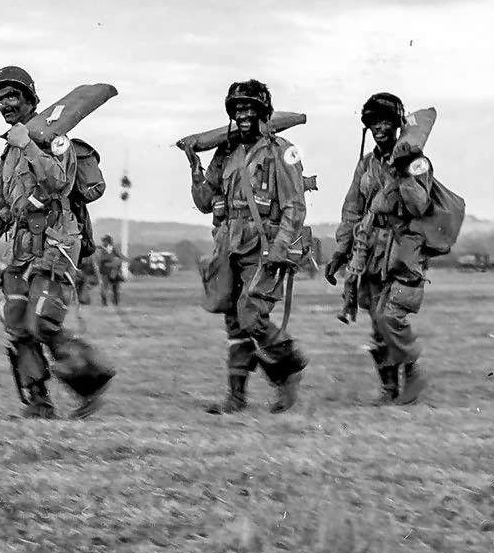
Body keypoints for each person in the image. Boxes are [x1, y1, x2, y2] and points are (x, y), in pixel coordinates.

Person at [0, 66, 115, 419]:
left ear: (31, 99)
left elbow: (59, 182)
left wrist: (28, 144)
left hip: (54, 242)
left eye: (13, 96)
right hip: (20, 248)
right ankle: (38, 402)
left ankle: (92, 383)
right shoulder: (9, 153)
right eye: (0, 99)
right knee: (16, 321)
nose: (6, 103)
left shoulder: (55, 140)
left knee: (42, 321)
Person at [184, 79, 308, 414]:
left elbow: (295, 206)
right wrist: (195, 169)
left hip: (264, 242)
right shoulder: (225, 153)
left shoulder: (281, 151)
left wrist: (282, 246)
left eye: (250, 109)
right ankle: (236, 397)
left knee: (251, 314)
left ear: (263, 112)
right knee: (233, 320)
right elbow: (205, 202)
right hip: (228, 241)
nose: (243, 115)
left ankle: (288, 368)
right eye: (238, 109)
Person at [324, 92, 433, 405]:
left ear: (398, 124)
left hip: (403, 251)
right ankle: (389, 390)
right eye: (373, 123)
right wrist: (340, 252)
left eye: (385, 121)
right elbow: (352, 210)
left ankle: (413, 371)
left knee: (389, 317)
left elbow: (419, 205)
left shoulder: (417, 162)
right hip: (369, 252)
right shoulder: (366, 165)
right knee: (376, 322)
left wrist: (403, 171)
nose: (379, 128)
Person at [95, 235, 126, 306]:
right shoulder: (106, 249)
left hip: (110, 271)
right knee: (107, 287)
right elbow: (121, 257)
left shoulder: (104, 249)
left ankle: (112, 302)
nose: (103, 242)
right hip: (108, 270)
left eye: (104, 241)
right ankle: (108, 302)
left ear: (107, 241)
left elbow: (121, 257)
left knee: (112, 287)